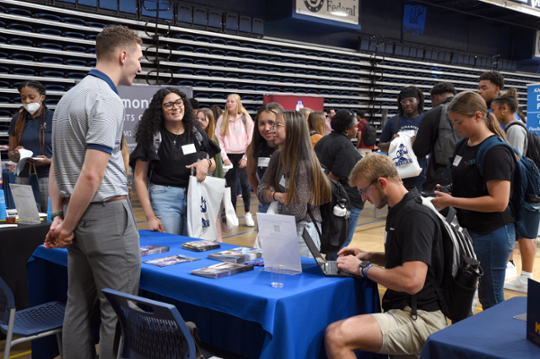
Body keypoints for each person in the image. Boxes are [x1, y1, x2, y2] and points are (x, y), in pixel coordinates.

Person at [44, 26, 144, 359]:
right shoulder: (107, 99)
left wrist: (60, 218)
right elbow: (90, 174)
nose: (140, 68)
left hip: (76, 213)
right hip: (105, 216)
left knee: (77, 307)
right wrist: (66, 227)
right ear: (123, 55)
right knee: (118, 309)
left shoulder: (68, 97)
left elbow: (58, 169)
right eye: (140, 59)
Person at [325, 153, 445, 359]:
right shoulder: (399, 209)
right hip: (406, 309)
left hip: (421, 318)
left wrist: (362, 268)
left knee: (336, 336)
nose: (363, 198)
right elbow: (407, 258)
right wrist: (368, 256)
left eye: (363, 191)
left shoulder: (414, 215)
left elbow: (412, 280)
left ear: (381, 183)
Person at [432, 91, 515, 310]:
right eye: (453, 122)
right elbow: (467, 185)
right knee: (467, 293)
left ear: (478, 116)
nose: (455, 127)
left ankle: (497, 343)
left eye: (459, 122)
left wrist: (453, 201)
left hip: (492, 233)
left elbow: (499, 202)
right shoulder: (463, 144)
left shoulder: (495, 151)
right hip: (469, 231)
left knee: (491, 298)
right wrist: (447, 191)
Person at [130, 88, 219, 235]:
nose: (176, 107)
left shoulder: (196, 131)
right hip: (164, 198)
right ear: (160, 109)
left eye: (179, 102)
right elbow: (139, 178)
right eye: (169, 104)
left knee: (194, 245)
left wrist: (206, 163)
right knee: (171, 247)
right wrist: (150, 217)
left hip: (195, 195)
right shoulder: (152, 136)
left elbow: (213, 164)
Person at [258, 110, 332, 257]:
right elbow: (261, 191)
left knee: (300, 279)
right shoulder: (278, 157)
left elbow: (297, 210)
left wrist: (272, 199)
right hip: (284, 227)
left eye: (277, 125)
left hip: (303, 232)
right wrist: (278, 196)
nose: (272, 130)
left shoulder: (304, 164)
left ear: (292, 130)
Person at [491, 88, 536, 293]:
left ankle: (526, 277)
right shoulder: (514, 127)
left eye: (493, 110)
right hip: (525, 189)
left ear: (504, 109)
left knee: (526, 234)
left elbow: (514, 161)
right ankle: (525, 276)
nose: (491, 114)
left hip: (524, 190)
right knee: (526, 234)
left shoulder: (514, 129)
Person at [314, 110, 364, 260]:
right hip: (346, 202)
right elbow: (334, 177)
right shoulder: (345, 146)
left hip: (329, 200)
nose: (357, 130)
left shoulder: (323, 140)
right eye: (355, 127)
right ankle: (333, 272)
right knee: (340, 242)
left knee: (331, 238)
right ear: (347, 129)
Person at [8, 81, 53, 212]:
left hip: (48, 176)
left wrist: (49, 160)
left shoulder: (54, 119)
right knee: (25, 219)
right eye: (23, 98)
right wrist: (15, 154)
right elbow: (11, 153)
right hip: (23, 176)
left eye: (31, 97)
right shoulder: (17, 120)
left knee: (50, 219)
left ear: (42, 97)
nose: (27, 101)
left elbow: (66, 154)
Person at [215, 94, 255, 227]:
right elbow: (218, 139)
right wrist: (225, 158)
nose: (229, 104)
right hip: (229, 157)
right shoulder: (222, 119)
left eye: (232, 101)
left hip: (243, 155)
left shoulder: (246, 118)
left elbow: (251, 139)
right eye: (227, 101)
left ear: (238, 103)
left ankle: (247, 213)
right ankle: (233, 215)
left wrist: (246, 157)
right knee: (232, 187)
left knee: (245, 185)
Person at [378, 86, 427, 191]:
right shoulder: (392, 121)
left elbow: (434, 146)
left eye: (411, 100)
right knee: (396, 206)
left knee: (417, 206)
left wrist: (420, 144)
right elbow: (381, 146)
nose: (407, 103)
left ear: (418, 100)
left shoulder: (426, 120)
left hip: (419, 177)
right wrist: (391, 144)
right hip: (396, 176)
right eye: (403, 101)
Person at [412, 82, 457, 190]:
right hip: (467, 172)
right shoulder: (469, 111)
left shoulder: (432, 113)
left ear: (435, 98)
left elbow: (419, 151)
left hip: (440, 175)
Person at [246, 102, 284, 213]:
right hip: (267, 205)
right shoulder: (254, 148)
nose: (266, 128)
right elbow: (251, 174)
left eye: (271, 123)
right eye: (262, 123)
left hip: (288, 205)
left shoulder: (290, 148)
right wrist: (262, 196)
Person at [197, 107, 223, 179]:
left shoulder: (213, 139)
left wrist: (219, 178)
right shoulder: (191, 136)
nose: (199, 121)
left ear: (209, 122)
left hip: (210, 176)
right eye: (197, 118)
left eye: (203, 119)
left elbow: (218, 163)